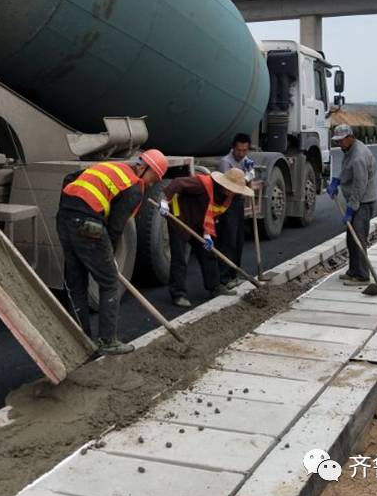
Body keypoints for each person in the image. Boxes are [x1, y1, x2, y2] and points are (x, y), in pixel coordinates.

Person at [57, 149, 168, 354]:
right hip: (87, 225)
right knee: (109, 282)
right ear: (145, 168)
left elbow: (70, 178)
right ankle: (108, 341)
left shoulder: (113, 168)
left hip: (64, 218)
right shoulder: (134, 187)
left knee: (76, 281)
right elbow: (116, 228)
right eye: (155, 176)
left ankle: (81, 339)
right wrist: (111, 255)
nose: (154, 182)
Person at [160, 166, 254, 307]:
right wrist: (164, 201)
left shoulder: (227, 198)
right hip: (181, 218)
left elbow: (211, 214)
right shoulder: (202, 184)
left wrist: (207, 234)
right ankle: (178, 294)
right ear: (224, 184)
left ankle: (214, 287)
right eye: (232, 189)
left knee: (208, 253)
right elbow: (177, 182)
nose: (233, 192)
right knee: (180, 257)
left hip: (199, 223)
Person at [326, 124, 377, 283]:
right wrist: (337, 180)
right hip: (357, 201)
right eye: (337, 141)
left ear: (350, 137)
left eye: (341, 140)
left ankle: (362, 275)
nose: (338, 144)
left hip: (363, 202)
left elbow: (360, 186)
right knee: (351, 238)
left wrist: (351, 208)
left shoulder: (359, 156)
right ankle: (353, 270)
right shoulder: (349, 150)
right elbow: (347, 170)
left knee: (358, 238)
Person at [216, 133, 256, 288]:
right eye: (239, 150)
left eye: (245, 150)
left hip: (238, 203)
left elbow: (250, 178)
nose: (241, 154)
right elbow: (228, 188)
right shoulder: (226, 163)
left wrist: (250, 173)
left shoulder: (246, 161)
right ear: (233, 148)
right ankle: (224, 278)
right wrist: (246, 177)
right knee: (228, 241)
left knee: (239, 241)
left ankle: (235, 273)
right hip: (227, 204)